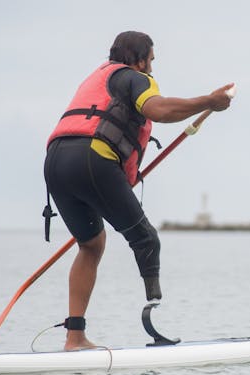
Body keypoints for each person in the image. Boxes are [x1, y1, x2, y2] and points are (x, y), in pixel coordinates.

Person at [43, 31, 233, 350]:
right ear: (141, 59)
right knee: (146, 239)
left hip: (55, 163)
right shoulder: (135, 78)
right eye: (152, 61)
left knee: (91, 244)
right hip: (93, 159)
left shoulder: (99, 78)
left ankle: (74, 338)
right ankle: (154, 319)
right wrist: (209, 102)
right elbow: (159, 110)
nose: (152, 68)